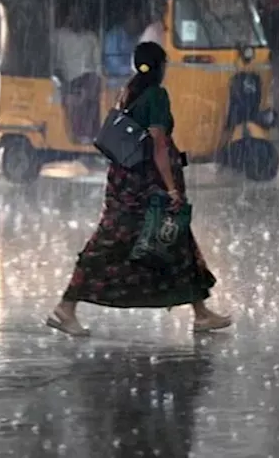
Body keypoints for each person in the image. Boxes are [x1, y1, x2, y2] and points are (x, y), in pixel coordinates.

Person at [46, 41, 232, 337]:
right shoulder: (156, 95)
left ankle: (201, 313)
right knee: (112, 242)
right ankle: (66, 307)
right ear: (160, 67)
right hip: (146, 186)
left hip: (124, 180)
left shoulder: (128, 92)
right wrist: (171, 188)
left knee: (175, 237)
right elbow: (158, 144)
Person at [52, 4, 102, 142]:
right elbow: (54, 63)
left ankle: (88, 134)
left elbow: (98, 66)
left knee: (92, 90)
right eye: (74, 15)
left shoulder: (91, 38)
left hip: (88, 78)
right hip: (66, 79)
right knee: (79, 96)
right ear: (68, 17)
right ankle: (80, 134)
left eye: (81, 16)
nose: (78, 19)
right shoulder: (59, 36)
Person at [103, 4, 145, 79]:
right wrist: (132, 70)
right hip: (115, 80)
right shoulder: (113, 36)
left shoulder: (139, 37)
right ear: (128, 18)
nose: (139, 23)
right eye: (136, 19)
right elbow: (113, 64)